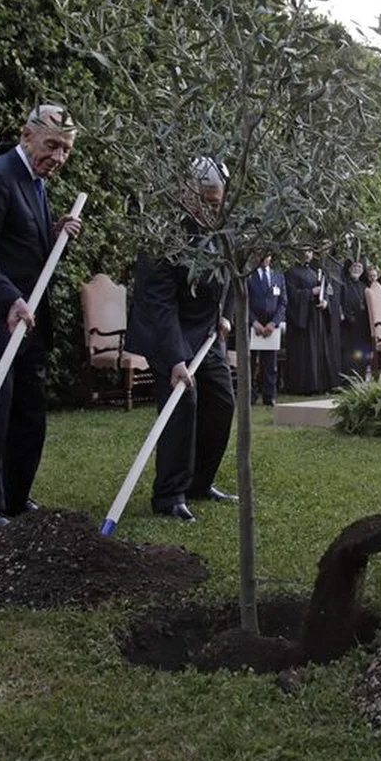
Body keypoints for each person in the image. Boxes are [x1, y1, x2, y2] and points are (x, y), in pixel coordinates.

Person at [0, 103, 83, 540]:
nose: (58, 157)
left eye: (66, 150)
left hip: (26, 325)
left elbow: (21, 249)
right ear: (26, 135)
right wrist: (9, 298)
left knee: (28, 416)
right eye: (52, 145)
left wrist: (55, 235)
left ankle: (16, 499)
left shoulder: (35, 183)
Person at [126, 157, 238, 523]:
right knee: (182, 405)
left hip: (206, 333)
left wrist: (224, 315)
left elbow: (233, 274)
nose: (212, 210)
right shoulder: (164, 233)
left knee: (221, 402)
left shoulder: (221, 229)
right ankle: (169, 495)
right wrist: (175, 358)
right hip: (167, 331)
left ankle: (199, 483)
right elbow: (159, 302)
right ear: (188, 194)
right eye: (207, 202)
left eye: (217, 203)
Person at [285, 248, 342, 394]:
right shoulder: (291, 272)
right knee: (305, 353)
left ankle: (318, 384)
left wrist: (325, 302)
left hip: (317, 317)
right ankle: (303, 386)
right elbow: (291, 296)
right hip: (302, 319)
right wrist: (310, 292)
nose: (307, 254)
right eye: (304, 251)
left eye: (309, 251)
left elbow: (323, 291)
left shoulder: (313, 272)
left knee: (318, 351)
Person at [246, 249, 287, 405]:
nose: (264, 258)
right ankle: (250, 395)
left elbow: (283, 302)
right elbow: (243, 302)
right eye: (261, 254)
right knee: (251, 362)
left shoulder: (278, 276)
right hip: (253, 325)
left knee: (270, 363)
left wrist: (273, 323)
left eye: (267, 255)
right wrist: (253, 321)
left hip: (271, 326)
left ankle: (270, 396)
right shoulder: (248, 276)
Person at [340, 258, 372, 377]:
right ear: (349, 269)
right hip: (348, 324)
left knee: (361, 352)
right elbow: (341, 303)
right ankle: (348, 377)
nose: (357, 269)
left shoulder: (364, 286)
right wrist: (348, 316)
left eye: (359, 267)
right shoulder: (343, 284)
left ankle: (360, 375)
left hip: (362, 324)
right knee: (349, 352)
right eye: (354, 266)